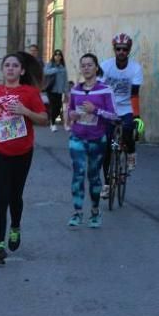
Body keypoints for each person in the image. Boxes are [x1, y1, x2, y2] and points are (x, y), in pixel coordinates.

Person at [0, 51, 48, 265]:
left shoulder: (29, 92)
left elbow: (44, 119)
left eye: (14, 65)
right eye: (7, 65)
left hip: (22, 151)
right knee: (0, 196)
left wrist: (24, 111)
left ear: (22, 70)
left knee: (14, 196)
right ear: (3, 70)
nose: (10, 68)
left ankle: (16, 226)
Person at [65, 54, 117, 228]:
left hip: (97, 139)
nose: (86, 68)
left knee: (93, 176)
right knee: (78, 174)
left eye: (90, 65)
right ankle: (77, 212)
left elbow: (114, 116)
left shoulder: (105, 90)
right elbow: (70, 112)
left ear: (96, 68)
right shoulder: (75, 90)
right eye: (83, 65)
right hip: (77, 137)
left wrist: (96, 110)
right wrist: (71, 115)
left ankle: (95, 211)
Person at [100, 33, 144, 197]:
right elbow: (99, 90)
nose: (121, 52)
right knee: (106, 148)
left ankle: (131, 152)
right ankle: (106, 183)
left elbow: (134, 94)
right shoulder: (105, 66)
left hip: (127, 107)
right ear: (114, 49)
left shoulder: (135, 68)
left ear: (129, 50)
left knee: (127, 130)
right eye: (118, 49)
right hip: (109, 107)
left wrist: (136, 116)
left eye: (124, 49)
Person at [43, 49, 67, 132]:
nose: (57, 56)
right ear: (54, 56)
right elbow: (45, 72)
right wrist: (55, 69)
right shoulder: (50, 64)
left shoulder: (63, 67)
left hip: (59, 91)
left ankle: (50, 118)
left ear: (61, 57)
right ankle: (53, 124)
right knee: (53, 107)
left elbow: (65, 80)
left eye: (59, 55)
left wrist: (66, 91)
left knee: (58, 107)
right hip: (51, 89)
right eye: (56, 54)